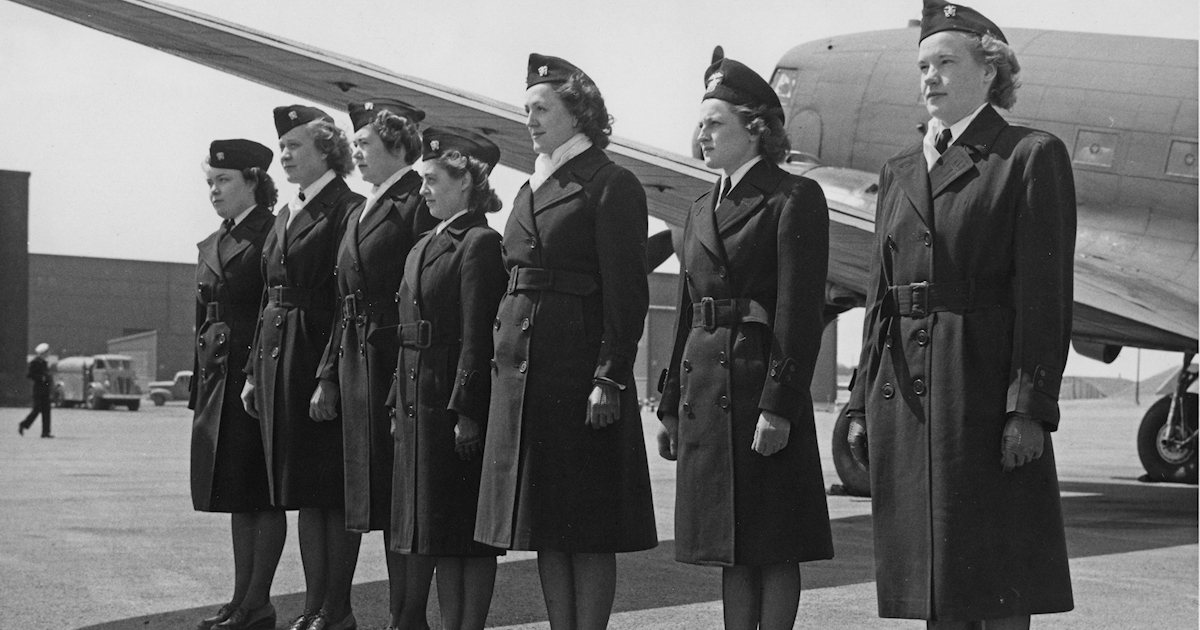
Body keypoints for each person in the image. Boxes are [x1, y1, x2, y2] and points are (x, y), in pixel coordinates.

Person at [846, 2, 1076, 628]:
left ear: (990, 70)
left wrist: (1028, 408)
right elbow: (879, 300)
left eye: (946, 62)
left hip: (980, 392)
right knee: (934, 588)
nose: (931, 77)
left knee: (997, 585)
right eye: (923, 65)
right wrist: (861, 403)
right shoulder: (899, 170)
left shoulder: (1028, 156)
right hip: (909, 402)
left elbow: (1044, 296)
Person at [474, 53, 657, 630]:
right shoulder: (531, 185)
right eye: (526, 108)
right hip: (528, 377)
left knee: (589, 527)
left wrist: (609, 376)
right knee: (547, 525)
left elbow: (626, 294)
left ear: (579, 112)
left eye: (542, 108)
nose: (529, 119)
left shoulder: (609, 183)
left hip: (578, 376)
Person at [656, 53, 833, 630]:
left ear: (755, 128)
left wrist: (779, 406)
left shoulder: (791, 198)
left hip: (759, 390)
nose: (700, 135)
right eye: (701, 123)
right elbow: (687, 313)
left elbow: (799, 313)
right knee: (732, 547)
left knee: (773, 544)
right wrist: (669, 405)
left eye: (715, 124)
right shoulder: (699, 207)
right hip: (707, 390)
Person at [312, 98, 437, 630]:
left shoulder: (418, 201)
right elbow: (346, 298)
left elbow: (424, 292)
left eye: (364, 143)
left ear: (398, 144)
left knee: (401, 501)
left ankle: (405, 618)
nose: (355, 152)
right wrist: (326, 375)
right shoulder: (364, 207)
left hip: (395, 362)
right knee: (371, 497)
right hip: (355, 363)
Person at [241, 105, 364, 630]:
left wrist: (328, 375)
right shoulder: (290, 212)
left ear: (327, 150)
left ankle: (336, 609)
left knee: (330, 495)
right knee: (305, 495)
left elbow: (345, 298)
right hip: (279, 358)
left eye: (295, 145)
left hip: (317, 354)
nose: (285, 156)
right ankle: (316, 608)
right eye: (283, 146)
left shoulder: (348, 208)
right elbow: (268, 296)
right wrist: (252, 371)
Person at [388, 126, 507, 630]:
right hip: (418, 403)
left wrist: (467, 412)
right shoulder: (422, 245)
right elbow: (406, 333)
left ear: (467, 182)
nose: (424, 189)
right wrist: (397, 400)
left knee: (465, 538)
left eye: (433, 179)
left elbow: (479, 335)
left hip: (450, 409)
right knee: (434, 533)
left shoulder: (479, 243)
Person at [190, 139, 284, 630]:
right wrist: (196, 392)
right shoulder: (213, 240)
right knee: (233, 492)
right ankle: (239, 599)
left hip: (254, 378)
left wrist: (255, 376)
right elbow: (200, 319)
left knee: (260, 494)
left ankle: (258, 603)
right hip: (217, 381)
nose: (214, 191)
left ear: (253, 181)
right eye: (210, 182)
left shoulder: (272, 233)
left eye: (223, 181)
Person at [19, 342, 52, 438]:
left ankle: (46, 432)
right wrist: (40, 378)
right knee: (36, 410)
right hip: (38, 390)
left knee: (46, 411)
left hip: (45, 390)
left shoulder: (44, 363)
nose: (48, 354)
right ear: (42, 353)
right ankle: (23, 424)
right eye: (46, 352)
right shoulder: (34, 362)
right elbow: (29, 375)